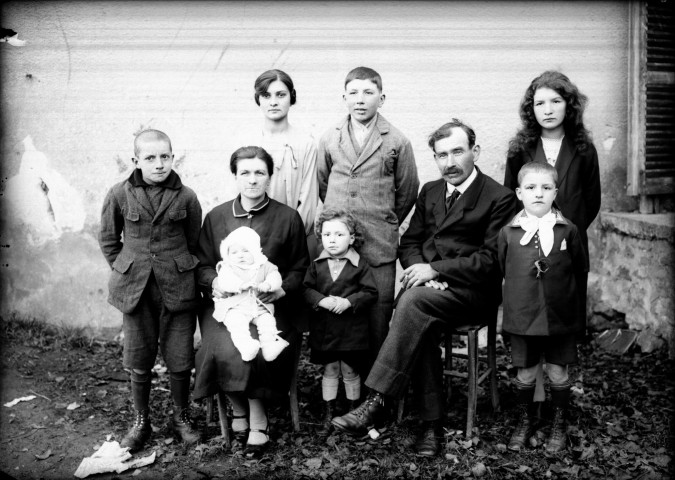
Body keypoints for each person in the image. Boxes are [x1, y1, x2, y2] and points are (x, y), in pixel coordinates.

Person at [331, 119, 517, 457]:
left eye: (457, 152)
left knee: (412, 303)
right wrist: (425, 273)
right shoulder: (430, 191)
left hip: (472, 293)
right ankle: (431, 426)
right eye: (441, 155)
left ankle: (376, 401)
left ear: (475, 152)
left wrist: (436, 269)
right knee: (419, 315)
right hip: (428, 291)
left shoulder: (499, 197)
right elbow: (409, 242)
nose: (450, 162)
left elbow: (491, 261)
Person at [193, 146, 309, 458]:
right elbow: (202, 265)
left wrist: (282, 290)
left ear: (270, 177)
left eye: (260, 172)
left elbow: (301, 267)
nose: (252, 179)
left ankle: (257, 418)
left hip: (271, 305)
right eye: (245, 172)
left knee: (261, 344)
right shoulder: (217, 217)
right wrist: (215, 282)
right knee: (222, 346)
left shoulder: (288, 217)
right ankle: (238, 407)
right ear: (235, 176)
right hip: (228, 305)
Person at [98, 129, 203, 452]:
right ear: (136, 160)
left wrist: (180, 269)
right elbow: (108, 239)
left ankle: (181, 416)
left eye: (165, 157)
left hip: (178, 288)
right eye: (150, 158)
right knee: (139, 357)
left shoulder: (187, 197)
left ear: (173, 157)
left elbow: (194, 242)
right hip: (136, 291)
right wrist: (127, 268)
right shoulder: (119, 194)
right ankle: (141, 421)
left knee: (180, 357)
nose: (159, 164)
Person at [317, 66, 419, 370]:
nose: (360, 99)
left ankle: (376, 386)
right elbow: (323, 184)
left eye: (368, 92)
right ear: (344, 98)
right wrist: (339, 224)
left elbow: (408, 190)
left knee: (377, 316)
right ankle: (347, 383)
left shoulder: (397, 141)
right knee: (340, 316)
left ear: (381, 98)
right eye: (353, 93)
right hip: (339, 246)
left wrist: (384, 220)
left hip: (378, 244)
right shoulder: (330, 138)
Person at [498, 161, 587, 453]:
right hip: (523, 316)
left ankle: (559, 423)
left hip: (559, 316)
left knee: (558, 372)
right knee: (525, 373)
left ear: (555, 193)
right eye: (531, 187)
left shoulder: (567, 230)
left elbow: (579, 268)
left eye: (546, 187)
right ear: (519, 193)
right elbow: (503, 267)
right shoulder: (509, 232)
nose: (538, 193)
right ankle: (525, 421)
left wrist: (575, 314)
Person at [504, 70, 600, 320]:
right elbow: (511, 197)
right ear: (531, 109)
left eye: (556, 101)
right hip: (528, 245)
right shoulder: (520, 149)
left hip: (570, 245)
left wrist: (568, 228)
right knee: (530, 313)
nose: (548, 110)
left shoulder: (584, 150)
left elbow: (591, 201)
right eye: (540, 103)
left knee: (567, 317)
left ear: (569, 105)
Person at [302, 208, 378, 437]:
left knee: (349, 369)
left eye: (339, 234)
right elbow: (306, 289)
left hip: (351, 331)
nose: (332, 240)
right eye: (327, 235)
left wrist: (348, 302)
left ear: (352, 238)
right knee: (330, 368)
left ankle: (353, 413)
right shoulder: (317, 264)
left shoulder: (360, 265)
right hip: (325, 329)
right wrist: (321, 300)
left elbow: (370, 292)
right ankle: (329, 414)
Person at [247, 69, 319, 240]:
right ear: (258, 99)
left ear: (291, 97)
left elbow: (308, 201)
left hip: (292, 238)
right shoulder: (248, 142)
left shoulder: (305, 144)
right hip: (252, 236)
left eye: (280, 95)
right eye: (266, 96)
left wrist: (290, 237)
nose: (273, 102)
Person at [213, 226, 288, 362]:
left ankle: (269, 346)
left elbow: (275, 277)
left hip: (258, 307)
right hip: (235, 307)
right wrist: (240, 285)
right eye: (234, 252)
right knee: (236, 323)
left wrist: (269, 284)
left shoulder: (264, 264)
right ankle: (246, 346)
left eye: (246, 250)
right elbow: (224, 282)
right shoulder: (228, 267)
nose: (240, 255)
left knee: (268, 322)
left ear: (255, 251)